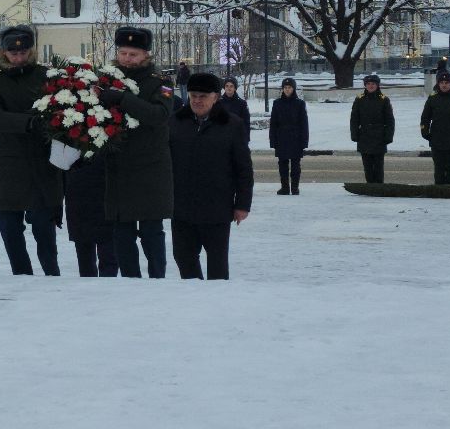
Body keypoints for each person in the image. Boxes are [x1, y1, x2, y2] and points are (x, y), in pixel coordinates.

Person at [0, 25, 64, 275]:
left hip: (42, 161)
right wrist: (28, 121)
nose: (18, 58)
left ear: (31, 51)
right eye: (12, 53)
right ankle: (22, 274)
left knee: (43, 227)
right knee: (9, 226)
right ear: (3, 53)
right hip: (11, 163)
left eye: (23, 53)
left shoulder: (46, 78)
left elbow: (59, 109)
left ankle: (51, 274)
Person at [97, 26, 171, 278]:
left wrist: (121, 99)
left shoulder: (161, 83)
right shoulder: (105, 80)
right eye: (123, 53)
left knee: (151, 231)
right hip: (119, 169)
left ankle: (157, 279)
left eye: (133, 55)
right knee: (122, 232)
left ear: (145, 56)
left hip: (149, 170)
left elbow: (159, 115)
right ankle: (130, 281)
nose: (127, 59)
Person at [168, 72, 253, 280]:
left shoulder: (232, 125)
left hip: (217, 208)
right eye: (193, 95)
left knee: (217, 264)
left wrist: (242, 204)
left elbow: (243, 168)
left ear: (216, 97)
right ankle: (194, 301)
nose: (197, 100)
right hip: (182, 207)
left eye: (203, 96)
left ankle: (217, 305)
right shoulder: (174, 122)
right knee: (183, 257)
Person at [62, 149, 118, 277]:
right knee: (93, 252)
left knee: (100, 253)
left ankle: (102, 285)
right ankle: (100, 286)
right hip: (84, 188)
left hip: (97, 186)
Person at [420, 71, 450, 185]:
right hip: (436, 138)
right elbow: (425, 118)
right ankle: (439, 192)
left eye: (446, 82)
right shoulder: (432, 99)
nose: (444, 85)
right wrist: (425, 132)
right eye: (441, 82)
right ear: (438, 84)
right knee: (439, 167)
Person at [349, 73, 395, 183]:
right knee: (367, 166)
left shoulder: (384, 100)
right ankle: (370, 187)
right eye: (368, 84)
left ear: (377, 85)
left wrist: (388, 136)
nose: (370, 86)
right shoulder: (359, 99)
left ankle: (379, 187)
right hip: (364, 137)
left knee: (378, 166)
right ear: (365, 85)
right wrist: (354, 134)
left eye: (373, 84)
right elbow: (354, 119)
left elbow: (390, 120)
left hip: (379, 137)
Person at [268, 77, 308, 195]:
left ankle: (295, 187)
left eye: (289, 87)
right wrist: (273, 140)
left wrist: (304, 141)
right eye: (285, 88)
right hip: (282, 138)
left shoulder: (300, 104)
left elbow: (304, 124)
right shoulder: (277, 103)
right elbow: (273, 123)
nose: (287, 90)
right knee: (282, 164)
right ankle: (285, 187)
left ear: (293, 89)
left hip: (295, 138)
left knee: (295, 165)